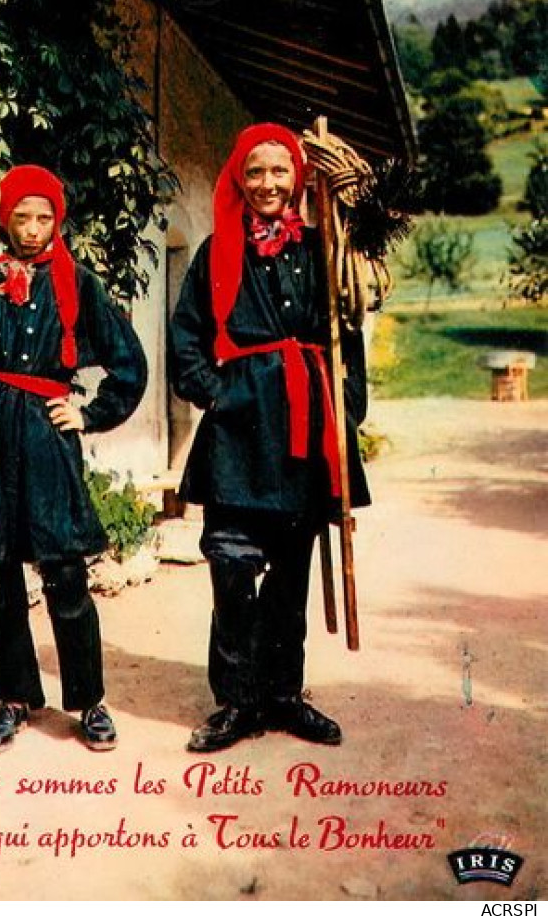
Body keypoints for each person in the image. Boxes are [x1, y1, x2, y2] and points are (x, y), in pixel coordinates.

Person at [0, 164, 147, 754]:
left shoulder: (79, 284)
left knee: (65, 573)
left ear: (58, 219)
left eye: (43, 217)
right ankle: (14, 697)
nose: (31, 229)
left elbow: (130, 364)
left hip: (47, 439)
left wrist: (90, 413)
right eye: (21, 217)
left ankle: (89, 701)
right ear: (4, 221)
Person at [170, 123, 369, 753]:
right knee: (231, 566)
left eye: (279, 172)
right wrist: (219, 395)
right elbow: (186, 337)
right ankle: (236, 702)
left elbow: (349, 334)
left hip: (306, 428)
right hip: (239, 431)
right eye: (254, 172)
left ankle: (284, 696)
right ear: (238, 178)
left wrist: (348, 407)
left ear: (298, 179)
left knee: (291, 571)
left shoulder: (322, 250)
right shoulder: (214, 252)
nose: (267, 184)